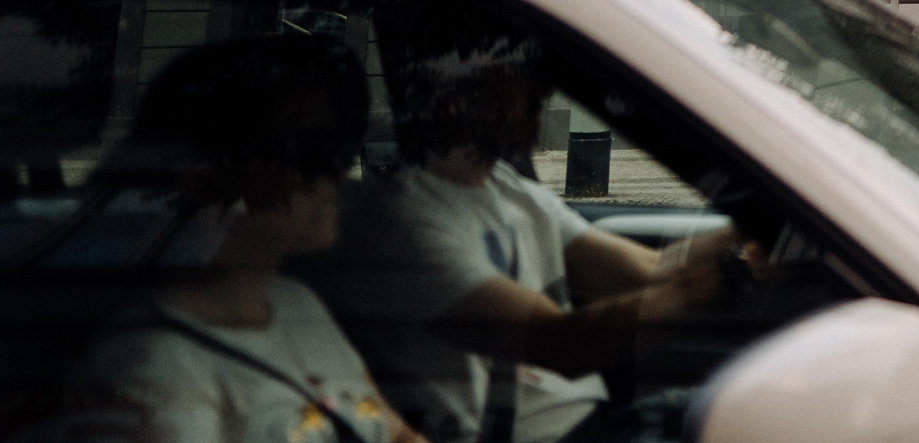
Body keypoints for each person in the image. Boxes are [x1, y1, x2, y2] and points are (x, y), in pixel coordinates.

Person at [308, 33, 748, 443]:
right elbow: (565, 344)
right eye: (513, 73)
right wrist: (723, 278)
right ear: (454, 103)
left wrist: (751, 226)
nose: (540, 87)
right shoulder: (401, 224)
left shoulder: (507, 187)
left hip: (593, 422)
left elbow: (647, 272)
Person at [34, 34, 424, 443]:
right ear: (205, 174)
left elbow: (395, 434)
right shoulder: (149, 370)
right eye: (310, 148)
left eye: (339, 146)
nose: (340, 170)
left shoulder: (297, 304)